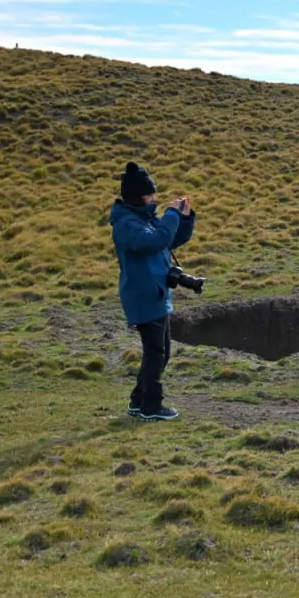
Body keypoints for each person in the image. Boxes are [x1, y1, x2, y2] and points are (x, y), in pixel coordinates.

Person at [109, 162, 196, 421]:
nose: (154, 199)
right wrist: (171, 214)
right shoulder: (126, 225)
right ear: (137, 196)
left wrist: (184, 218)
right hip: (143, 297)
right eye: (150, 194)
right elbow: (156, 241)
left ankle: (138, 401)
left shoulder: (143, 220)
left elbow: (169, 240)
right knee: (157, 353)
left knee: (159, 352)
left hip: (156, 295)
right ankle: (152, 406)